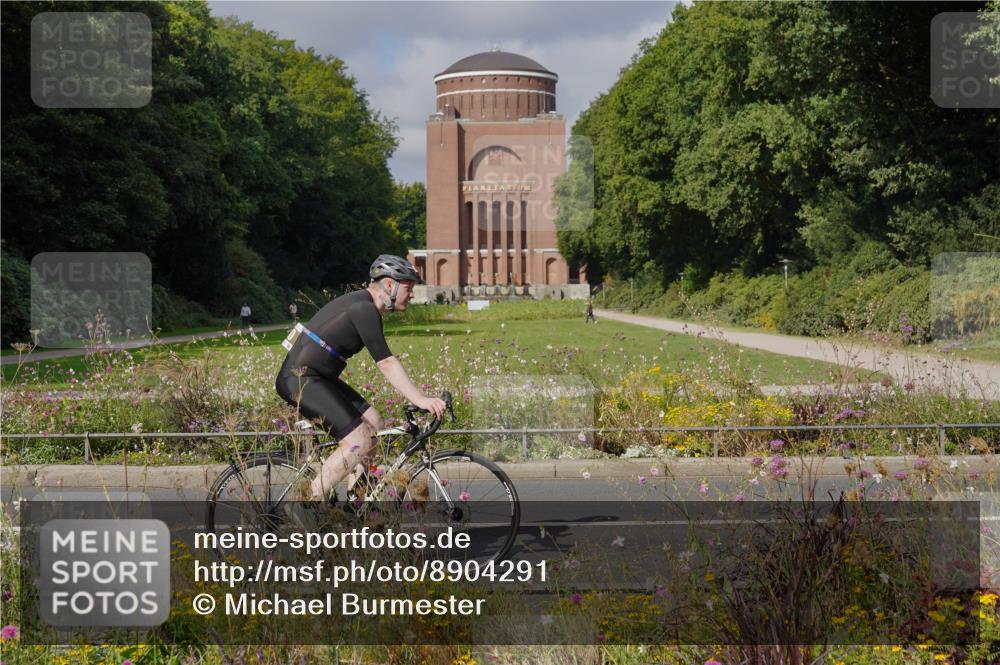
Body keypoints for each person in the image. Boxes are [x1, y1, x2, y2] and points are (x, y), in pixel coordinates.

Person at [274, 255, 446, 504]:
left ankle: (358, 504)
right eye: (409, 288)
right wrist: (420, 399)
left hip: (318, 377)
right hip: (300, 379)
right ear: (389, 285)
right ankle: (306, 504)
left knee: (373, 422)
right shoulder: (363, 308)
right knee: (358, 441)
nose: (412, 295)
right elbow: (385, 362)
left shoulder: (365, 306)